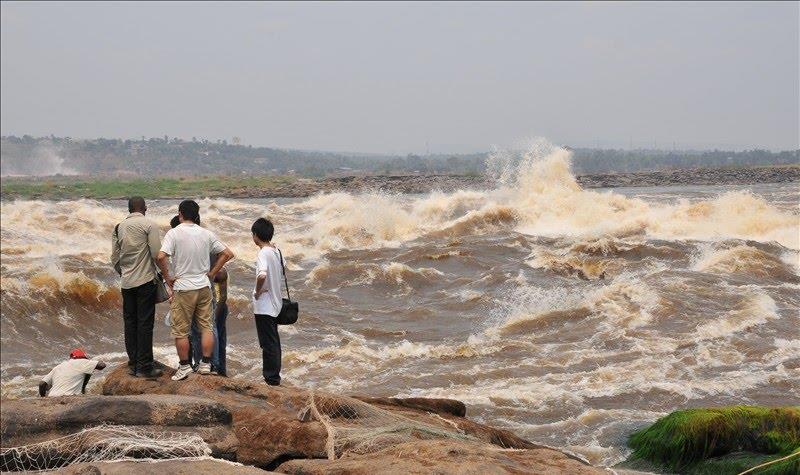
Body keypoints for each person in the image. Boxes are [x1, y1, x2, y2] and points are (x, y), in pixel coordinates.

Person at [157, 200, 234, 381]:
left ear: (180, 214)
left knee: (181, 330)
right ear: (197, 215)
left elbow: (161, 256)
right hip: (204, 287)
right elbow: (228, 254)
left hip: (184, 287)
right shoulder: (206, 233)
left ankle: (184, 367)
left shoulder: (174, 233)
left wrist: (168, 278)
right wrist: (211, 273)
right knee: (206, 327)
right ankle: (206, 364)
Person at [110, 196, 163, 378]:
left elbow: (114, 258)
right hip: (145, 281)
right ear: (145, 208)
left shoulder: (118, 227)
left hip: (126, 283)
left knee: (130, 322)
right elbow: (156, 254)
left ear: (129, 209)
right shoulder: (149, 225)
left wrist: (124, 273)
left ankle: (133, 362)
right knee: (145, 323)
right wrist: (166, 275)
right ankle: (145, 366)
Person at [251, 217, 285, 386]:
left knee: (268, 343)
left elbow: (262, 274)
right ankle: (274, 376)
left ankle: (271, 378)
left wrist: (258, 291)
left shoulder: (263, 252)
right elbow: (283, 270)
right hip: (276, 303)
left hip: (264, 305)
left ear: (256, 235)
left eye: (253, 234)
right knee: (273, 341)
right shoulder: (276, 251)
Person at [39, 349, 107, 397]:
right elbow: (102, 365)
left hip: (52, 396)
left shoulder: (59, 366)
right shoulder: (83, 362)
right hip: (69, 397)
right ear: (84, 358)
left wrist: (43, 397)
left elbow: (42, 384)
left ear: (71, 357)